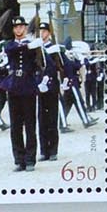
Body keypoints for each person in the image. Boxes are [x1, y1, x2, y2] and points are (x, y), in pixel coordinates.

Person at [0, 15, 43, 173]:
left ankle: (30, 159)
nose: (19, 29)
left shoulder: (33, 45)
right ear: (13, 30)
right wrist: (29, 46)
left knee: (30, 125)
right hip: (14, 87)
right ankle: (19, 160)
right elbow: (11, 51)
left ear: (25, 28)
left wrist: (38, 48)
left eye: (21, 27)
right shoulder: (10, 45)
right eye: (16, 27)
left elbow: (40, 64)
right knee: (15, 126)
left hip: (28, 86)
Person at [35, 22, 63, 161]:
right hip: (40, 88)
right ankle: (43, 150)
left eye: (44, 31)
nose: (42, 33)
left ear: (49, 33)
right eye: (40, 31)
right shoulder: (37, 48)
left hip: (51, 88)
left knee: (52, 119)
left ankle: (53, 151)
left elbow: (61, 66)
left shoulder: (53, 48)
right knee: (42, 120)